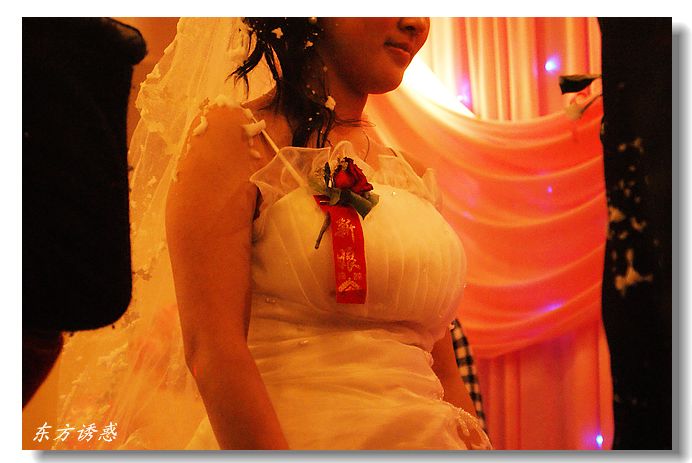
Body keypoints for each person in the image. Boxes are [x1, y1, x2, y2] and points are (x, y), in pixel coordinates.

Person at [51, 17, 492, 451]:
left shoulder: (412, 175)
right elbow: (214, 351)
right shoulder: (236, 139)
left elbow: (444, 373)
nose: (416, 22)